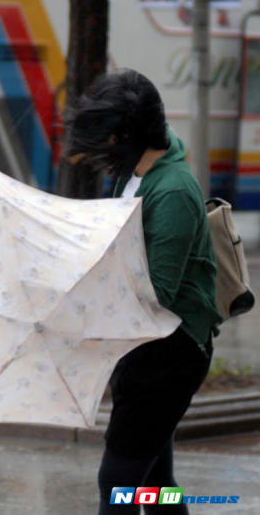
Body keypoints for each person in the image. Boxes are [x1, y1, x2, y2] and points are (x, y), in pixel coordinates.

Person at [64, 69, 222, 515]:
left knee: (117, 483)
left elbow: (159, 293)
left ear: (129, 134)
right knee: (155, 481)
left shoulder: (171, 191)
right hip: (143, 347)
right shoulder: (139, 171)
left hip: (168, 355)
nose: (102, 150)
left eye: (108, 138)